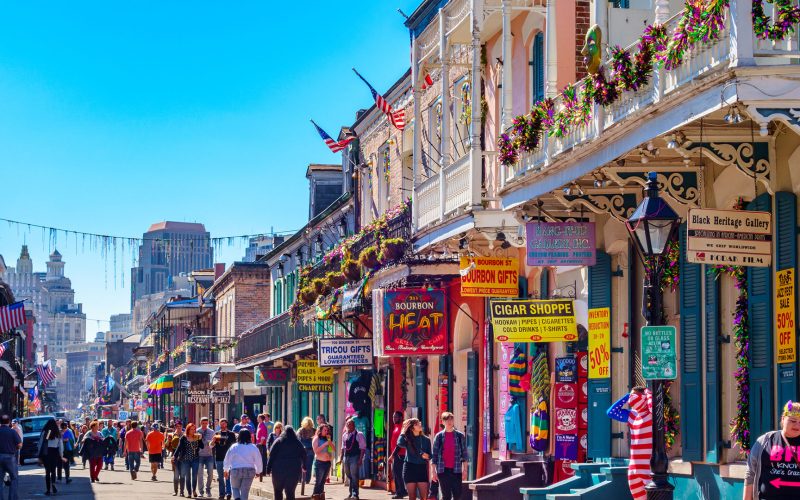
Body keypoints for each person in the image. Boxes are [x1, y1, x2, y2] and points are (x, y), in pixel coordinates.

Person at [744, 400, 800, 499]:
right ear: (783, 419)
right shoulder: (765, 440)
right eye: (793, 421)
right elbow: (750, 474)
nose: (797, 425)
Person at [431, 412, 468, 500]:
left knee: (457, 494)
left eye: (451, 419)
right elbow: (434, 455)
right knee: (446, 495)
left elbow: (465, 454)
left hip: (456, 470)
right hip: (443, 470)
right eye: (446, 420)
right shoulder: (439, 436)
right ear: (443, 422)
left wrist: (465, 470)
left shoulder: (460, 436)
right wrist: (433, 472)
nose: (449, 422)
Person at [266, 426, 305, 500]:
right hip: (293, 470)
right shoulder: (297, 442)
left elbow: (272, 455)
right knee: (290, 492)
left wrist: (268, 469)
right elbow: (303, 454)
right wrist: (304, 465)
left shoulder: (278, 441)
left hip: (278, 470)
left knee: (278, 491)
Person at [396, 419, 432, 500]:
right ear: (411, 428)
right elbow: (399, 443)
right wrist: (403, 431)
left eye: (419, 423)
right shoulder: (407, 439)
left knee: (424, 497)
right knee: (412, 497)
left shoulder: (426, 440)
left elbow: (431, 455)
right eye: (416, 424)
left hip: (421, 468)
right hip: (409, 468)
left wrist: (428, 456)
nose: (419, 424)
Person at [223, 429, 262, 500]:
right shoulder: (253, 447)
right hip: (250, 470)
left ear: (239, 436)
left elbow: (227, 458)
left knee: (235, 488)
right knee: (245, 491)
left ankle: (237, 498)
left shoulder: (234, 446)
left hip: (236, 469)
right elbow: (258, 460)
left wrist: (226, 470)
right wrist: (258, 471)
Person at [174, 422, 205, 497]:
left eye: (194, 429)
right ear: (188, 430)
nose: (193, 431)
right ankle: (189, 492)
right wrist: (174, 456)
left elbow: (202, 447)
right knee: (187, 477)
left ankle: (194, 490)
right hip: (185, 460)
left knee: (194, 476)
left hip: (195, 459)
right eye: (191, 429)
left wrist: (200, 440)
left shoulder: (197, 437)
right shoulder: (184, 438)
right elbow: (179, 448)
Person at [339, 418, 366, 500]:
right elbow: (343, 447)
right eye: (347, 424)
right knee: (349, 475)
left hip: (355, 457)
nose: (348, 426)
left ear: (354, 425)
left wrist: (360, 459)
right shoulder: (345, 435)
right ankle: (351, 494)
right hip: (346, 457)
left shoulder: (359, 434)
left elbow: (363, 448)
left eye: (350, 424)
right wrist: (341, 458)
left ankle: (355, 494)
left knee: (354, 475)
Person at [38, 419, 66, 496]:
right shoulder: (58, 433)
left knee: (47, 471)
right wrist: (61, 455)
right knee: (53, 471)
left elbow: (43, 442)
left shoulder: (46, 432)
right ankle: (53, 485)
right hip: (55, 453)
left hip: (47, 453)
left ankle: (48, 490)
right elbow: (60, 445)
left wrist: (39, 453)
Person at [213, 418, 236, 500]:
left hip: (228, 458)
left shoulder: (231, 434)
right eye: (221, 423)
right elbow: (211, 445)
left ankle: (229, 493)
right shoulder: (216, 434)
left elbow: (234, 446)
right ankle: (221, 494)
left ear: (226, 424)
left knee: (228, 476)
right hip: (219, 457)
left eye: (224, 423)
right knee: (221, 477)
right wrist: (213, 441)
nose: (223, 425)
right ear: (219, 424)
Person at [0, 415, 22, 500]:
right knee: (14, 478)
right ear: (9, 422)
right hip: (10, 457)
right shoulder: (12, 432)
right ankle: (12, 498)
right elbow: (19, 445)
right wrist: (14, 448)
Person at [311, 424, 334, 500]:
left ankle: (320, 496)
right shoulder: (316, 439)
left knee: (323, 482)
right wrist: (325, 444)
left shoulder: (327, 439)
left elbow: (333, 449)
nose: (326, 432)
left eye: (327, 430)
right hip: (320, 463)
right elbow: (316, 451)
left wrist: (329, 442)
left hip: (327, 463)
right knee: (318, 482)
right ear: (320, 431)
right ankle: (315, 496)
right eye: (325, 430)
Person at [388, 411, 408, 499]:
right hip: (396, 455)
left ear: (401, 418)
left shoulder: (401, 428)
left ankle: (400, 492)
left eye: (396, 417)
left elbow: (399, 444)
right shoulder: (396, 427)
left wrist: (392, 455)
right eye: (393, 417)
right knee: (396, 473)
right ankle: (401, 491)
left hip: (400, 454)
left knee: (398, 474)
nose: (394, 419)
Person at [197, 417, 216, 497]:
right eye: (203, 423)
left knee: (210, 473)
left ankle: (208, 489)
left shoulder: (211, 432)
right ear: (200, 423)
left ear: (208, 423)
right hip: (200, 455)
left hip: (209, 455)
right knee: (200, 474)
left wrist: (212, 443)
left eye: (206, 423)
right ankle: (201, 491)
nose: (204, 425)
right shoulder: (197, 431)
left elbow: (213, 445)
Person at [166, 422, 185, 496]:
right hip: (175, 457)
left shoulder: (185, 434)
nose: (179, 427)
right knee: (176, 475)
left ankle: (182, 492)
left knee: (182, 475)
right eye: (177, 426)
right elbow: (167, 446)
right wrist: (168, 440)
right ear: (175, 427)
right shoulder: (172, 434)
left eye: (180, 426)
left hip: (184, 457)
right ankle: (175, 491)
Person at [298, 417, 315, 485]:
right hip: (311, 450)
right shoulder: (314, 430)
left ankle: (300, 479)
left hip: (302, 450)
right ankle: (307, 480)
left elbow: (298, 440)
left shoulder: (300, 430)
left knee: (301, 465)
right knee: (309, 466)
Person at [255, 414, 269, 481]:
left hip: (261, 445)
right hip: (258, 443)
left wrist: (261, 442)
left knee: (262, 459)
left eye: (258, 417)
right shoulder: (259, 425)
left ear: (261, 418)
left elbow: (263, 435)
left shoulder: (263, 426)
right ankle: (259, 472)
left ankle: (262, 473)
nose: (257, 418)